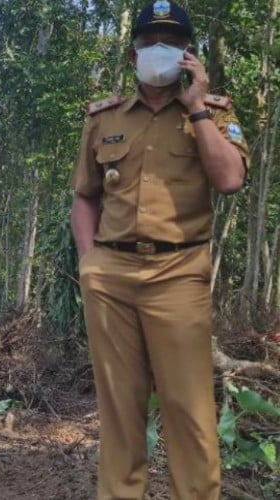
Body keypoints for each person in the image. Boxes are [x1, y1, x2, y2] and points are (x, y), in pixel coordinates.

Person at [70, 2, 249, 498]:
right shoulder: (104, 118)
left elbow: (230, 179)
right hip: (110, 276)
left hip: (179, 272)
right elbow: (84, 197)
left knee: (188, 409)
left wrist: (196, 106)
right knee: (119, 409)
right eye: (148, 41)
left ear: (187, 53)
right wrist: (89, 264)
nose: (157, 51)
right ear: (133, 54)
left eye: (168, 42)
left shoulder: (213, 113)